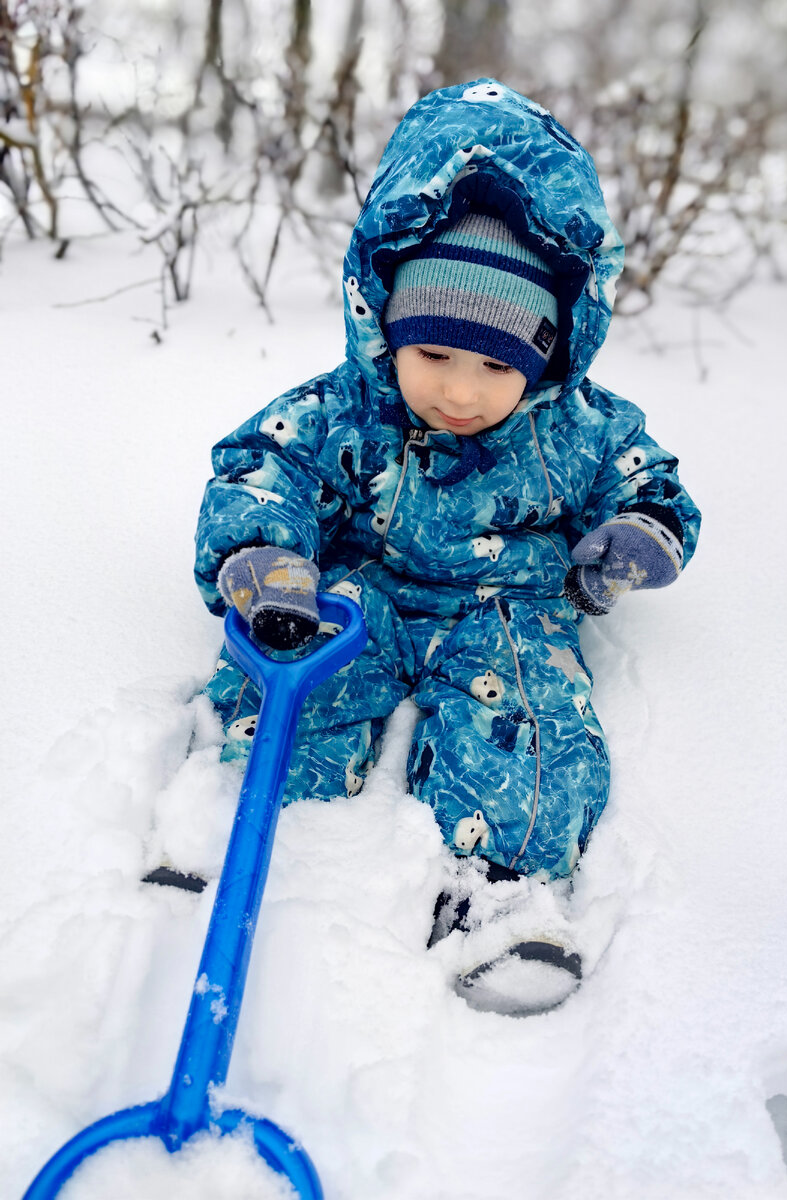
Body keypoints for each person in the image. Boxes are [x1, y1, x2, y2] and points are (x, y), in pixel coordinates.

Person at [194, 80, 700, 1012]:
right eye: (433, 355)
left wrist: (637, 534)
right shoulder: (348, 406)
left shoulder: (579, 426)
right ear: (385, 321)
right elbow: (266, 466)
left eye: (497, 365)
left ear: (545, 358)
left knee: (530, 717)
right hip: (364, 588)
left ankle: (503, 895)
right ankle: (226, 823)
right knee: (298, 674)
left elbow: (647, 481)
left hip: (507, 606)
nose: (461, 393)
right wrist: (266, 555)